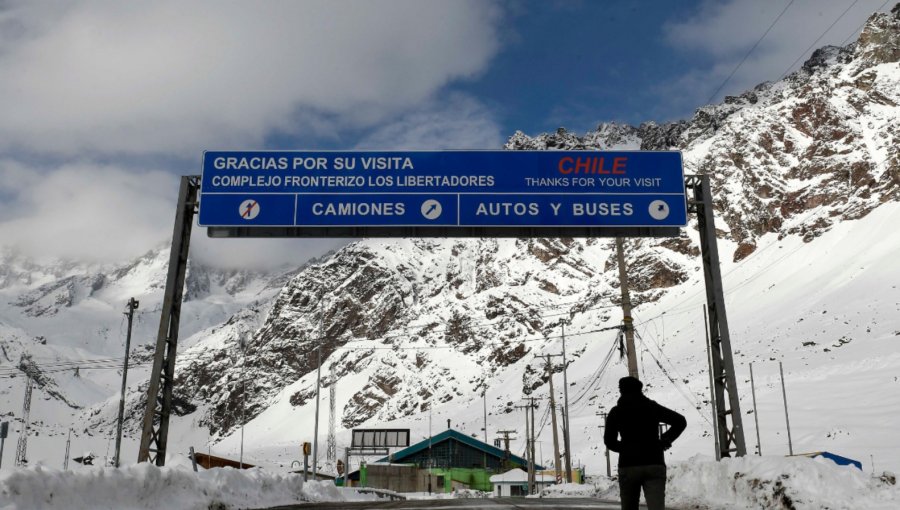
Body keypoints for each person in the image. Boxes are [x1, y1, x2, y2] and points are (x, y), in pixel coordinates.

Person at [604, 376, 686, 510]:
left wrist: (626, 449)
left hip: (628, 466)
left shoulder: (616, 412)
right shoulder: (652, 407)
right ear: (640, 389)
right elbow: (680, 421)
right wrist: (665, 441)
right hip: (654, 463)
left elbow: (609, 441)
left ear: (621, 391)